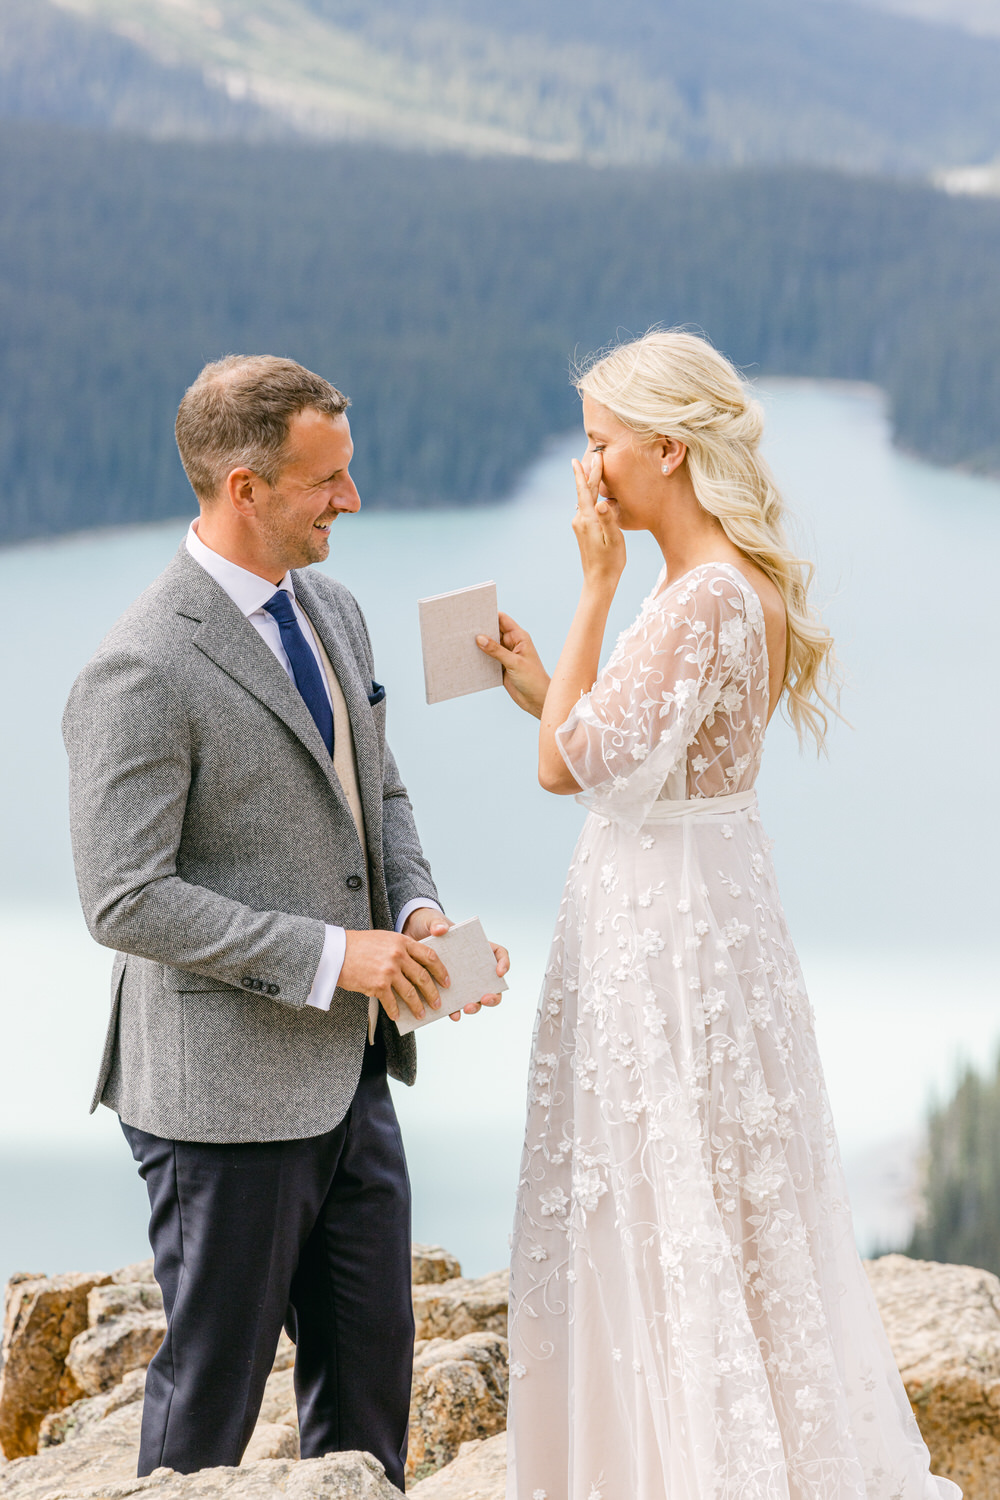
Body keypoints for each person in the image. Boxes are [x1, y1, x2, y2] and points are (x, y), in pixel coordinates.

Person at [476, 331, 958, 1499]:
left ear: (668, 450)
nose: (587, 472)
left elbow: (566, 772)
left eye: (599, 446)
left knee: (669, 1190)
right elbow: (637, 759)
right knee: (711, 1193)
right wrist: (547, 686)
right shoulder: (728, 582)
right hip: (705, 898)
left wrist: (587, 592)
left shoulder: (692, 599)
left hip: (667, 927)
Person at [62, 354, 508, 1485]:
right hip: (218, 1101)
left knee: (371, 1383)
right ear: (245, 487)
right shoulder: (140, 665)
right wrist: (329, 957)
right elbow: (124, 896)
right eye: (328, 481)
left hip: (352, 1075)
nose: (351, 501)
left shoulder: (337, 611)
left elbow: (381, 797)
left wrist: (416, 915)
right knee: (208, 1399)